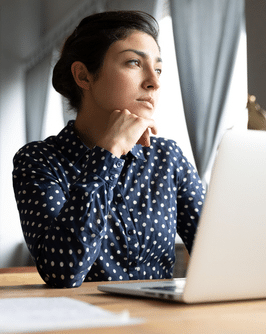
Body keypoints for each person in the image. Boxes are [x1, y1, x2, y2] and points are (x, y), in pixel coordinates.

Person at [13, 11, 205, 288]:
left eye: (159, 68)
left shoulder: (167, 157)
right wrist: (108, 153)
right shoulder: (39, 160)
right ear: (83, 76)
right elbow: (62, 272)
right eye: (134, 62)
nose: (154, 81)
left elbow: (216, 251)